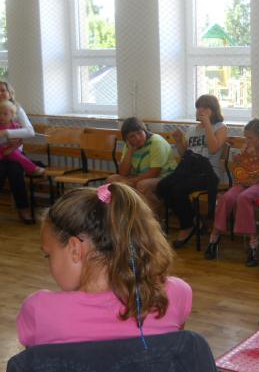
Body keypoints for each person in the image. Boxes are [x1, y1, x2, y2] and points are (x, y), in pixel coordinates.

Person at [16, 183, 192, 347]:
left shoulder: (39, 311)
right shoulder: (175, 295)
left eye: (48, 255)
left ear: (75, 249)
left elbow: (35, 365)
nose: (49, 264)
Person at [206, 118, 259, 266]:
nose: (247, 141)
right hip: (245, 183)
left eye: (250, 138)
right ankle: (214, 236)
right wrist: (242, 161)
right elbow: (240, 169)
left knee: (244, 197)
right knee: (226, 198)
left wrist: (254, 156)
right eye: (246, 137)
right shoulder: (246, 147)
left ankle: (253, 244)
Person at [157, 95, 228, 248]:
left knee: (178, 189)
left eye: (205, 107)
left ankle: (187, 226)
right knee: (162, 187)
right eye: (198, 107)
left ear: (213, 110)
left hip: (209, 173)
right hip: (190, 171)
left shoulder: (220, 127)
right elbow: (185, 155)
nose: (200, 110)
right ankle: (193, 220)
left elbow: (213, 149)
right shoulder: (192, 129)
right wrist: (178, 142)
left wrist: (207, 124)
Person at [107, 118, 177, 216]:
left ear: (145, 130)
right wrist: (130, 151)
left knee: (142, 185)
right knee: (112, 180)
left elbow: (154, 172)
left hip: (165, 177)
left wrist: (132, 181)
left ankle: (156, 215)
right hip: (140, 176)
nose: (138, 138)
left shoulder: (156, 142)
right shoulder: (129, 145)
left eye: (139, 133)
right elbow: (123, 173)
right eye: (132, 136)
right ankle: (124, 215)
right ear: (127, 139)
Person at [0, 81, 36, 224]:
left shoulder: (17, 109)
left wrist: (6, 133)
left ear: (10, 93)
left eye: (3, 90)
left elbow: (30, 132)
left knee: (15, 172)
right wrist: (10, 140)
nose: (0, 93)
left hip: (16, 154)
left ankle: (23, 210)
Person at [0, 100, 45, 176]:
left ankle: (32, 168)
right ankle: (33, 168)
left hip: (13, 151)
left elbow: (20, 140)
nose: (1, 116)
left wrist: (11, 146)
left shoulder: (16, 126)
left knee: (16, 157)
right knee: (15, 156)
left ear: (12, 115)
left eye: (5, 114)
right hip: (2, 152)